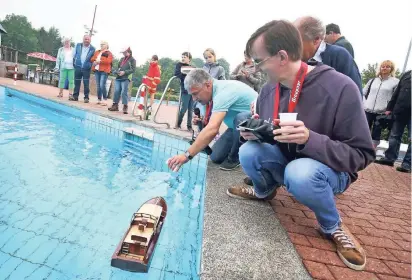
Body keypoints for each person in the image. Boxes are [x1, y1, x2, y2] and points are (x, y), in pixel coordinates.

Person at [227, 20, 375, 271]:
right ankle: (264, 191)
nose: (255, 67)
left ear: (282, 57)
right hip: (288, 161)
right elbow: (271, 134)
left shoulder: (340, 87)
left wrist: (310, 138)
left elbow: (362, 155)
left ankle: (332, 225)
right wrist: (255, 134)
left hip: (327, 170)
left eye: (259, 60)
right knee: (248, 152)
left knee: (301, 173)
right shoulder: (268, 91)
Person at [167, 69, 257, 171]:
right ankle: (240, 147)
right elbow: (208, 125)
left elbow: (212, 129)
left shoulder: (223, 92)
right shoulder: (209, 95)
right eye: (191, 95)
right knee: (215, 157)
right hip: (235, 128)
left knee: (241, 118)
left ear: (208, 85)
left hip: (258, 127)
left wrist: (186, 155)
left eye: (195, 94)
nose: (194, 99)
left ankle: (235, 158)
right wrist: (201, 121)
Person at [294, 16, 362, 94]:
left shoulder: (339, 56)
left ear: (316, 40)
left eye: (297, 42)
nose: (293, 47)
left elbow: (354, 93)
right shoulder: (296, 61)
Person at [375, 70, 411, 172]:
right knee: (394, 136)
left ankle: (407, 164)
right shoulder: (407, 74)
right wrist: (389, 108)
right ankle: (389, 158)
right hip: (400, 110)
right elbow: (397, 92)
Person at [363, 60, 399, 148]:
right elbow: (363, 93)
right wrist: (364, 104)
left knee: (376, 133)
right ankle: (361, 149)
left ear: (391, 69)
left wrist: (389, 109)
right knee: (363, 130)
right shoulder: (372, 80)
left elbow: (395, 98)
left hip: (382, 112)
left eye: (387, 66)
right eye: (383, 66)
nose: (384, 68)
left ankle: (372, 150)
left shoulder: (395, 82)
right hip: (367, 110)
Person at [108, 47, 136, 114]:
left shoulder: (133, 60)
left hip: (126, 78)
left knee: (124, 92)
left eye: (124, 52)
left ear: (128, 52)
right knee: (116, 91)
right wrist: (117, 71)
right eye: (123, 52)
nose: (123, 54)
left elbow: (133, 70)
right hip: (118, 77)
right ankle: (115, 105)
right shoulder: (121, 59)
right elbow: (119, 68)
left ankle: (125, 106)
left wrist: (124, 72)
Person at [71, 34, 95, 103]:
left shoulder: (93, 49)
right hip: (78, 66)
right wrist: (74, 64)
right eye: (85, 39)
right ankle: (75, 96)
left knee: (86, 83)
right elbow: (73, 55)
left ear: (90, 40)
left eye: (88, 39)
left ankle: (86, 97)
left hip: (86, 68)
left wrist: (90, 65)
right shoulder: (78, 45)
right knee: (77, 82)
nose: (86, 40)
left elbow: (93, 59)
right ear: (83, 39)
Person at [174, 52, 195, 131]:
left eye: (185, 57)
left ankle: (189, 126)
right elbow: (177, 74)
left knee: (191, 109)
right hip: (185, 90)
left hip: (193, 90)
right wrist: (186, 74)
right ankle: (178, 123)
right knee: (184, 108)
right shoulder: (179, 65)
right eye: (182, 56)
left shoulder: (193, 67)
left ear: (189, 59)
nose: (183, 58)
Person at [91, 40, 113, 106]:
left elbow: (108, 61)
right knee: (98, 85)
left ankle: (105, 100)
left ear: (106, 45)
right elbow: (92, 58)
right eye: (101, 44)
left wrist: (99, 61)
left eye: (103, 44)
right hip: (97, 70)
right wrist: (95, 61)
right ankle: (99, 99)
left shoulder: (109, 53)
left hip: (104, 70)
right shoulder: (97, 52)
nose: (101, 45)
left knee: (102, 85)